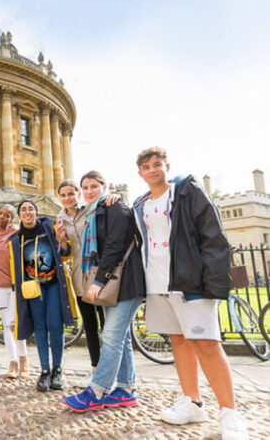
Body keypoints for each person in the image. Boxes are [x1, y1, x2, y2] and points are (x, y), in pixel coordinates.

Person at [133, 147, 248, 440]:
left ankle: (230, 414)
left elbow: (213, 235)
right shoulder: (140, 205)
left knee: (206, 344)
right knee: (179, 341)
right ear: (140, 173)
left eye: (157, 164)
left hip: (190, 281)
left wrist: (213, 281)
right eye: (146, 166)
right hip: (158, 284)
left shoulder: (187, 192)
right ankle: (192, 402)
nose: (153, 169)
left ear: (166, 166)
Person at [64, 171, 146, 412]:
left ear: (104, 186)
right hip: (116, 281)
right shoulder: (94, 212)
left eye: (94, 186)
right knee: (118, 337)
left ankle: (97, 390)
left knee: (110, 336)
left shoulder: (115, 207)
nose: (89, 191)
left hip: (127, 281)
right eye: (85, 187)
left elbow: (114, 246)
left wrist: (98, 281)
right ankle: (126, 389)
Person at [58, 179, 121, 388]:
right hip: (78, 276)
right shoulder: (59, 219)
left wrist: (115, 196)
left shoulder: (93, 208)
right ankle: (95, 371)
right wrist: (61, 240)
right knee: (90, 326)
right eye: (63, 195)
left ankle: (110, 373)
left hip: (97, 273)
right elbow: (65, 253)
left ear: (78, 194)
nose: (68, 198)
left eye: (71, 193)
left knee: (107, 325)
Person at [9, 200, 74, 391]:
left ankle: (58, 370)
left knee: (55, 325)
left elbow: (66, 253)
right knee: (40, 327)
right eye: (23, 210)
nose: (28, 212)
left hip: (53, 283)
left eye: (31, 209)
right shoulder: (16, 239)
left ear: (36, 212)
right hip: (33, 288)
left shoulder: (50, 228)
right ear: (19, 215)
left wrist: (62, 239)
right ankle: (45, 371)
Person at [0, 204, 28, 378]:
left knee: (15, 323)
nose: (2, 217)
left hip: (15, 286)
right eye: (0, 213)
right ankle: (13, 362)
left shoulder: (15, 232)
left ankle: (23, 360)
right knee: (6, 324)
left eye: (7, 215)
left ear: (12, 220)